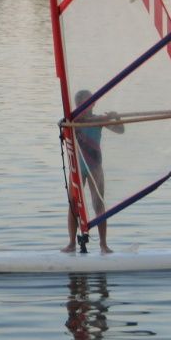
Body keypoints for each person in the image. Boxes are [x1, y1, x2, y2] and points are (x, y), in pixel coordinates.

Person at [62, 90, 124, 254]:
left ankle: (103, 244)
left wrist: (116, 117)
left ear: (94, 104)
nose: (87, 105)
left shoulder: (98, 120)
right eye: (83, 102)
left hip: (95, 166)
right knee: (73, 204)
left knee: (99, 205)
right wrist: (107, 117)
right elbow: (67, 127)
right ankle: (71, 244)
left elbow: (120, 130)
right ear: (77, 105)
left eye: (90, 102)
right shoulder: (73, 120)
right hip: (77, 168)